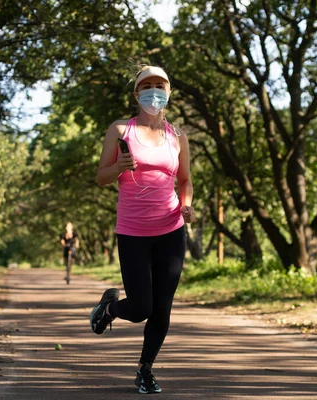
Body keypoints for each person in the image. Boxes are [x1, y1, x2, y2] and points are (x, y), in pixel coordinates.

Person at [89, 65, 196, 394]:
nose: (153, 91)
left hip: (171, 229)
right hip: (133, 231)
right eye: (146, 85)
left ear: (168, 92)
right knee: (140, 308)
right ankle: (109, 309)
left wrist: (188, 204)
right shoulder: (121, 129)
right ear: (137, 94)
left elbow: (185, 180)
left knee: (163, 307)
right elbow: (101, 177)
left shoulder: (178, 136)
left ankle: (145, 369)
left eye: (159, 85)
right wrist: (117, 166)